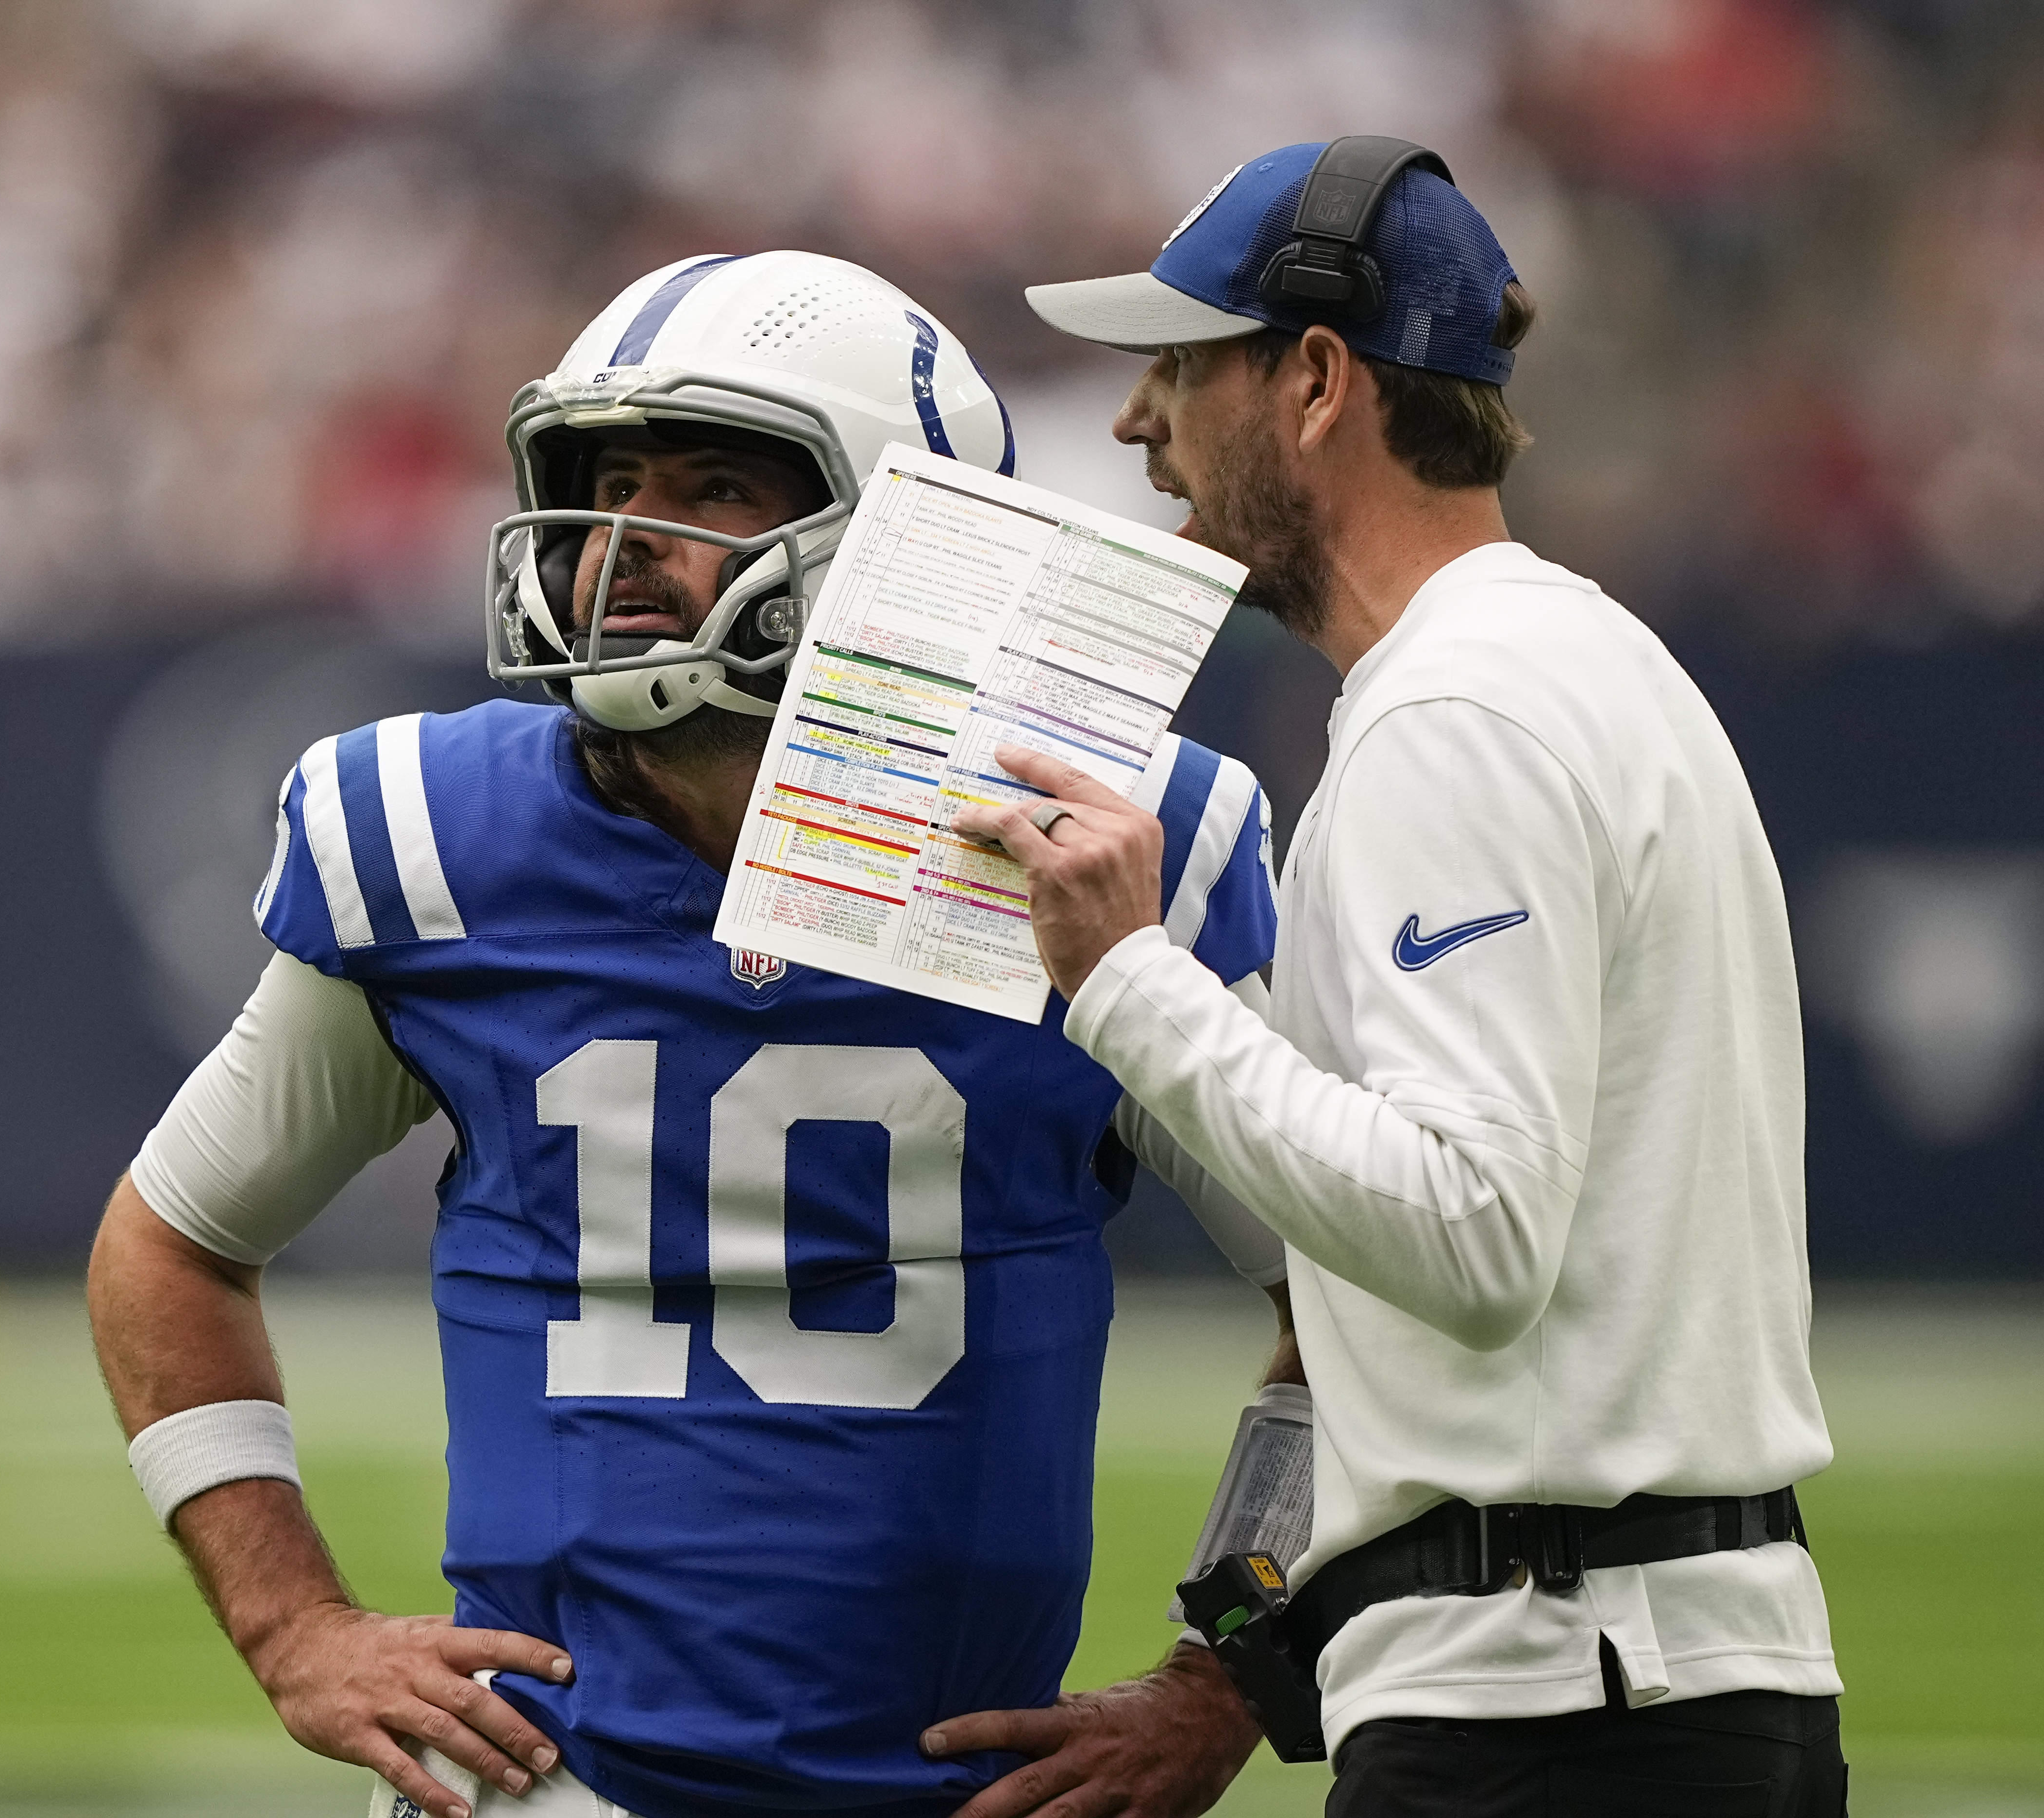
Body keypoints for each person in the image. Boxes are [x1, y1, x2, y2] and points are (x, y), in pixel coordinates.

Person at [85, 250, 1294, 1818]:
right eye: (604, 486)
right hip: (552, 1791)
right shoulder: (439, 839)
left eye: (716, 483)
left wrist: (1227, 1685)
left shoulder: (1113, 844)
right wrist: (292, 1625)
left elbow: (1352, 1305)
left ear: (911, 536)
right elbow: (170, 1241)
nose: (621, 546)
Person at [955, 138, 1845, 1814]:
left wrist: (1130, 978)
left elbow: (1474, 1231)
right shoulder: (1565, 663)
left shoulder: (1459, 712)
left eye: (1178, 368)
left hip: (1559, 1697)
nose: (1141, 427)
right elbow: (1361, 1278)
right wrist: (1240, 1654)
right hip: (1649, 1674)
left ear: (1311, 381)